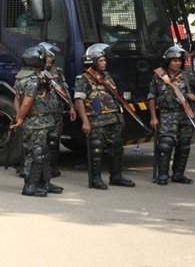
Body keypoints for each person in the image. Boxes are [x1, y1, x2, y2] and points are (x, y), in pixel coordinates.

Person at [74, 43, 136, 190]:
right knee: (97, 149)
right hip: (96, 120)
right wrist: (85, 121)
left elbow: (115, 97)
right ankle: (96, 179)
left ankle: (116, 176)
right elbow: (79, 101)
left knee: (117, 148)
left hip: (113, 118)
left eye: (104, 60)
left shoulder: (107, 76)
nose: (104, 63)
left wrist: (120, 116)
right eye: (100, 61)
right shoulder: (83, 78)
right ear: (93, 61)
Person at [148, 46, 195, 186]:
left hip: (185, 115)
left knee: (184, 145)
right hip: (167, 115)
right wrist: (153, 117)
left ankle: (178, 174)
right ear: (168, 61)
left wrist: (194, 97)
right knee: (165, 145)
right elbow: (151, 98)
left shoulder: (187, 77)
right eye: (174, 61)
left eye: (179, 61)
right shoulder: (158, 78)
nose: (177, 63)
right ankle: (162, 174)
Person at [11, 46, 64, 197]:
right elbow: (27, 102)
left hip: (41, 120)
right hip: (35, 121)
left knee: (43, 152)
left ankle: (44, 183)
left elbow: (17, 99)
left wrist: (19, 115)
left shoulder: (22, 77)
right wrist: (21, 117)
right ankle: (30, 186)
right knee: (36, 152)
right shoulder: (33, 79)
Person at [38, 41, 76, 177]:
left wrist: (71, 106)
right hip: (41, 113)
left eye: (51, 57)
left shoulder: (57, 72)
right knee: (38, 142)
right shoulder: (36, 72)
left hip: (56, 112)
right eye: (47, 56)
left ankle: (52, 167)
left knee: (54, 141)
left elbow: (64, 90)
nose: (49, 59)